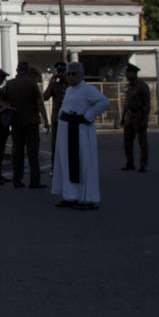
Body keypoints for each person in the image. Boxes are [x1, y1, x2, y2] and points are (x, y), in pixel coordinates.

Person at [51, 62, 110, 210]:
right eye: (68, 74)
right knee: (65, 162)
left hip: (80, 130)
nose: (70, 77)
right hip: (66, 130)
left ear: (82, 75)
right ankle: (70, 195)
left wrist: (88, 116)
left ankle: (88, 198)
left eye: (74, 74)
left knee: (84, 163)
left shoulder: (88, 89)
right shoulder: (70, 90)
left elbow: (104, 102)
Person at [0, 62, 49, 189]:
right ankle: (34, 181)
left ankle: (17, 179)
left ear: (17, 70)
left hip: (16, 122)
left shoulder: (9, 84)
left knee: (17, 152)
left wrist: (7, 107)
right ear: (27, 70)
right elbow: (39, 103)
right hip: (31, 122)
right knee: (33, 153)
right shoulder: (32, 83)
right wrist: (46, 121)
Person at [121, 63, 152, 172]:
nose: (126, 74)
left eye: (128, 72)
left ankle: (143, 164)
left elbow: (147, 103)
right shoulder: (129, 86)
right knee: (127, 142)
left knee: (142, 142)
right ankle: (130, 163)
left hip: (139, 115)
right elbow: (126, 103)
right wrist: (123, 117)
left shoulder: (142, 86)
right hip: (129, 116)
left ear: (134, 73)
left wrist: (145, 118)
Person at [42, 61, 67, 161]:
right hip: (57, 118)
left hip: (69, 118)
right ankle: (55, 165)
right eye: (59, 72)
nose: (61, 74)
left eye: (63, 72)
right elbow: (45, 97)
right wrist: (51, 82)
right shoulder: (54, 85)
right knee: (55, 143)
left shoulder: (71, 84)